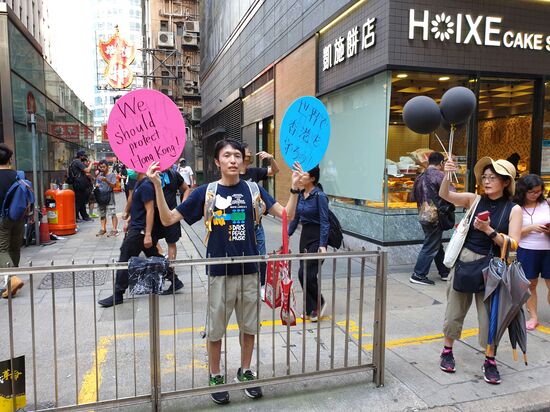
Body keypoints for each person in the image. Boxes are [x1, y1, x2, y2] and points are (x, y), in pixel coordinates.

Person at [147, 139, 300, 405]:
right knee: (216, 330)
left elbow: (285, 214)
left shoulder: (254, 190)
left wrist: (296, 190)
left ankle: (246, 371)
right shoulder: (205, 193)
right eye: (227, 155)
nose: (233, 160)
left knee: (249, 328)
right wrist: (158, 188)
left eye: (237, 156)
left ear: (243, 161)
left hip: (251, 271)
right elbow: (168, 218)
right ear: (217, 162)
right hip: (219, 272)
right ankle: (215, 375)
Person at [439, 156, 521, 385]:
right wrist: (447, 174)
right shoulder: (474, 200)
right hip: (465, 261)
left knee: (489, 317)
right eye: (484, 177)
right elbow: (446, 195)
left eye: (492, 177)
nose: (486, 181)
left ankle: (490, 359)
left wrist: (488, 230)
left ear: (506, 182)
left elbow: (513, 243)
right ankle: (447, 351)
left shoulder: (514, 210)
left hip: (493, 268)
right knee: (455, 310)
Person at [98, 171, 162, 308]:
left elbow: (150, 210)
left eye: (131, 166)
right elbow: (137, 207)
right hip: (137, 227)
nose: (129, 170)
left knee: (125, 256)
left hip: (140, 230)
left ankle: (118, 293)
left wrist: (148, 234)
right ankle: (174, 279)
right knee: (153, 255)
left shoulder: (146, 186)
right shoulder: (139, 183)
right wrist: (129, 220)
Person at [240, 144, 281, 299]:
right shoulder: (233, 175)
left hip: (257, 223)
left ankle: (262, 285)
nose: (250, 153)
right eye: (248, 152)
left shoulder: (254, 172)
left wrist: (271, 158)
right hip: (241, 224)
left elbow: (275, 171)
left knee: (261, 254)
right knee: (244, 255)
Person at [288, 165, 328, 322]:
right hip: (305, 237)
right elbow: (296, 217)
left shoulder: (320, 196)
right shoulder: (301, 194)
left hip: (317, 238)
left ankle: (319, 303)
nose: (300, 176)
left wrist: (323, 245)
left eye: (303, 174)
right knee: (303, 274)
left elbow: (325, 222)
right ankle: (310, 307)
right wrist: (287, 234)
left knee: (307, 273)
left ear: (312, 178)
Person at [513, 174, 550, 331]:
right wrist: (530, 228)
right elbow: (511, 233)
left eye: (539, 191)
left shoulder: (546, 204)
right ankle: (533, 317)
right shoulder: (516, 208)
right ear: (523, 191)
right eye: (532, 192)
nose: (536, 194)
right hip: (527, 249)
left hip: (548, 249)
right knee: (530, 285)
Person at [410, 151, 451, 285]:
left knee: (435, 243)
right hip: (435, 216)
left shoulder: (420, 176)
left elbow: (412, 197)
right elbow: (451, 193)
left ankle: (444, 272)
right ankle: (418, 274)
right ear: (441, 163)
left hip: (423, 214)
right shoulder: (439, 175)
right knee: (431, 245)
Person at [155, 166, 190, 294]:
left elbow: (186, 189)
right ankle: (163, 263)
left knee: (172, 242)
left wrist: (183, 205)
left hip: (172, 214)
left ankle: (171, 269)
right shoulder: (151, 174)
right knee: (152, 242)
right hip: (154, 215)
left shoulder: (174, 175)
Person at [0, 144, 24, 298]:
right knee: (15, 248)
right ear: (9, 159)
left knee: (2, 249)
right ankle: (10, 283)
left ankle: (12, 278)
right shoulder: (18, 175)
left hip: (2, 219)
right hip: (18, 216)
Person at [95, 160, 118, 237]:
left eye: (104, 167)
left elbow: (113, 186)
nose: (102, 168)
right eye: (100, 167)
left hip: (109, 196)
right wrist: (97, 185)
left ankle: (114, 229)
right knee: (102, 213)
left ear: (107, 167)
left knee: (112, 213)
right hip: (100, 196)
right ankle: (103, 229)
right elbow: (97, 184)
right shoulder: (99, 175)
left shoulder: (112, 175)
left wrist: (106, 181)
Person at [69, 150, 94, 222]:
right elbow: (87, 170)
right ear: (81, 156)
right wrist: (91, 163)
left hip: (78, 184)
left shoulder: (74, 162)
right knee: (79, 201)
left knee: (81, 200)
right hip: (79, 184)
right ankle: (76, 217)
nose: (85, 157)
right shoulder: (77, 162)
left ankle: (84, 216)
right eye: (84, 156)